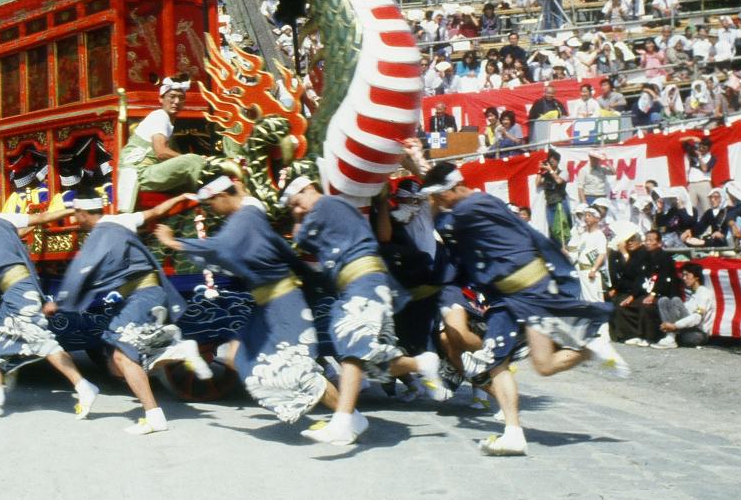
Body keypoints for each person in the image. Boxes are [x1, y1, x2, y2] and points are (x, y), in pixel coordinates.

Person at [421, 162, 627, 457]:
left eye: (441, 196)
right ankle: (516, 429)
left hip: (527, 291)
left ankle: (587, 350)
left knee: (519, 363)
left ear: (453, 189)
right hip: (508, 297)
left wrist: (424, 184)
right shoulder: (476, 204)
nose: (439, 203)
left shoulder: (471, 208)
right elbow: (438, 212)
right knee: (532, 365)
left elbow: (439, 222)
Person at [150, 173, 334, 431]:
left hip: (283, 301)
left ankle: (347, 416)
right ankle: (318, 403)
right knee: (238, 359)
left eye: (210, 203)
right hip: (267, 303)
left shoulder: (245, 219)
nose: (210, 210)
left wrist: (172, 241)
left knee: (296, 367)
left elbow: (222, 247)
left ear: (223, 195)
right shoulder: (247, 215)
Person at [285, 176, 450, 445]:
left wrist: (297, 215)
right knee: (371, 362)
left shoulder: (327, 205)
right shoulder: (328, 208)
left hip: (365, 281)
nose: (299, 209)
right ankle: (422, 363)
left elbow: (301, 236)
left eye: (298, 201)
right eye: (293, 206)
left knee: (352, 345)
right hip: (359, 286)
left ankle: (343, 421)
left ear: (311, 189)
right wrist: (297, 209)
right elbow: (303, 241)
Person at [47, 191, 210, 435]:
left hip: (142, 295)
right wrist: (179, 198)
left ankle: (155, 414)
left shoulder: (100, 235)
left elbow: (81, 270)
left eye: (75, 214)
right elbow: (156, 212)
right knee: (115, 364)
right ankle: (175, 352)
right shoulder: (122, 221)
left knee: (123, 358)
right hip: (147, 294)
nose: (74, 220)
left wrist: (59, 301)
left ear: (82, 213)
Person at [0, 209, 101, 415]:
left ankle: (83, 385)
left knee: (41, 341)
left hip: (18, 290)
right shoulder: (3, 228)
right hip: (16, 290)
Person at [115, 76, 207, 210]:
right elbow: (161, 152)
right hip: (139, 173)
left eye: (181, 98)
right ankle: (205, 202)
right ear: (161, 99)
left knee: (188, 171)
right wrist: (196, 160)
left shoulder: (169, 123)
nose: (176, 101)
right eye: (172, 96)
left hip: (146, 172)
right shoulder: (159, 116)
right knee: (192, 161)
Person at [655, 262, 714, 349]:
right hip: (685, 330)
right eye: (683, 276)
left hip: (698, 333)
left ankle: (671, 336)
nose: (684, 278)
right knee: (663, 300)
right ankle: (670, 336)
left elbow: (697, 317)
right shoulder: (692, 294)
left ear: (696, 277)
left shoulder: (704, 294)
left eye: (687, 275)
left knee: (676, 300)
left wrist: (675, 326)